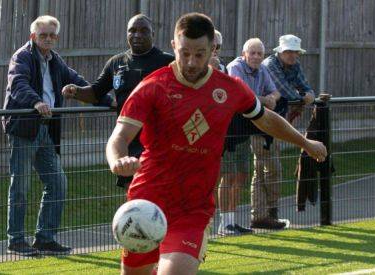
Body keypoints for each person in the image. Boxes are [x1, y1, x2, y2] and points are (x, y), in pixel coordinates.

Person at [106, 12, 326, 275]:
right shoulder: (152, 87)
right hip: (147, 203)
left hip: (192, 210)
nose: (190, 61)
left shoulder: (230, 88)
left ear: (213, 49)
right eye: (184, 52)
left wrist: (305, 142)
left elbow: (265, 119)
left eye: (199, 54)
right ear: (174, 46)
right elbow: (119, 136)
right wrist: (117, 160)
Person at [2, 15, 109, 256]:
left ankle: (45, 238)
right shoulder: (22, 57)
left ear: (56, 37)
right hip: (24, 128)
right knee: (20, 184)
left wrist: (108, 100)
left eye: (52, 35)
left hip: (46, 129)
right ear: (33, 36)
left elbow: (79, 82)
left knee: (57, 182)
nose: (48, 38)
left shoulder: (55, 60)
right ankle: (16, 240)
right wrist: (37, 102)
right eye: (43, 35)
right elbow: (18, 84)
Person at [62, 14, 174, 190]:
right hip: (127, 140)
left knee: (160, 194)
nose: (137, 35)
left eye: (144, 30)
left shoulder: (168, 63)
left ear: (153, 34)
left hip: (158, 141)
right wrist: (76, 92)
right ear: (127, 34)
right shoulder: (117, 63)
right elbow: (96, 93)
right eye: (133, 30)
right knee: (133, 195)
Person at [217, 38, 282, 235]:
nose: (255, 57)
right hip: (229, 130)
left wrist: (272, 98)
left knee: (241, 175)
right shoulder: (235, 67)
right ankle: (223, 223)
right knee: (227, 175)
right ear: (244, 54)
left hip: (246, 129)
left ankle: (233, 221)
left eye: (259, 54)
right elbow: (243, 96)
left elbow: (276, 92)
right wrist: (266, 100)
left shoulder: (262, 69)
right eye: (252, 53)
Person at [254, 34, 315, 227]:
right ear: (280, 51)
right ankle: (265, 215)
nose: (292, 55)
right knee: (269, 168)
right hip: (260, 122)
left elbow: (308, 90)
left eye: (295, 52)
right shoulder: (270, 65)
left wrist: (306, 95)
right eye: (288, 51)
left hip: (277, 123)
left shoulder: (294, 65)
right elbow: (287, 92)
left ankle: (265, 216)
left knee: (266, 169)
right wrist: (303, 96)